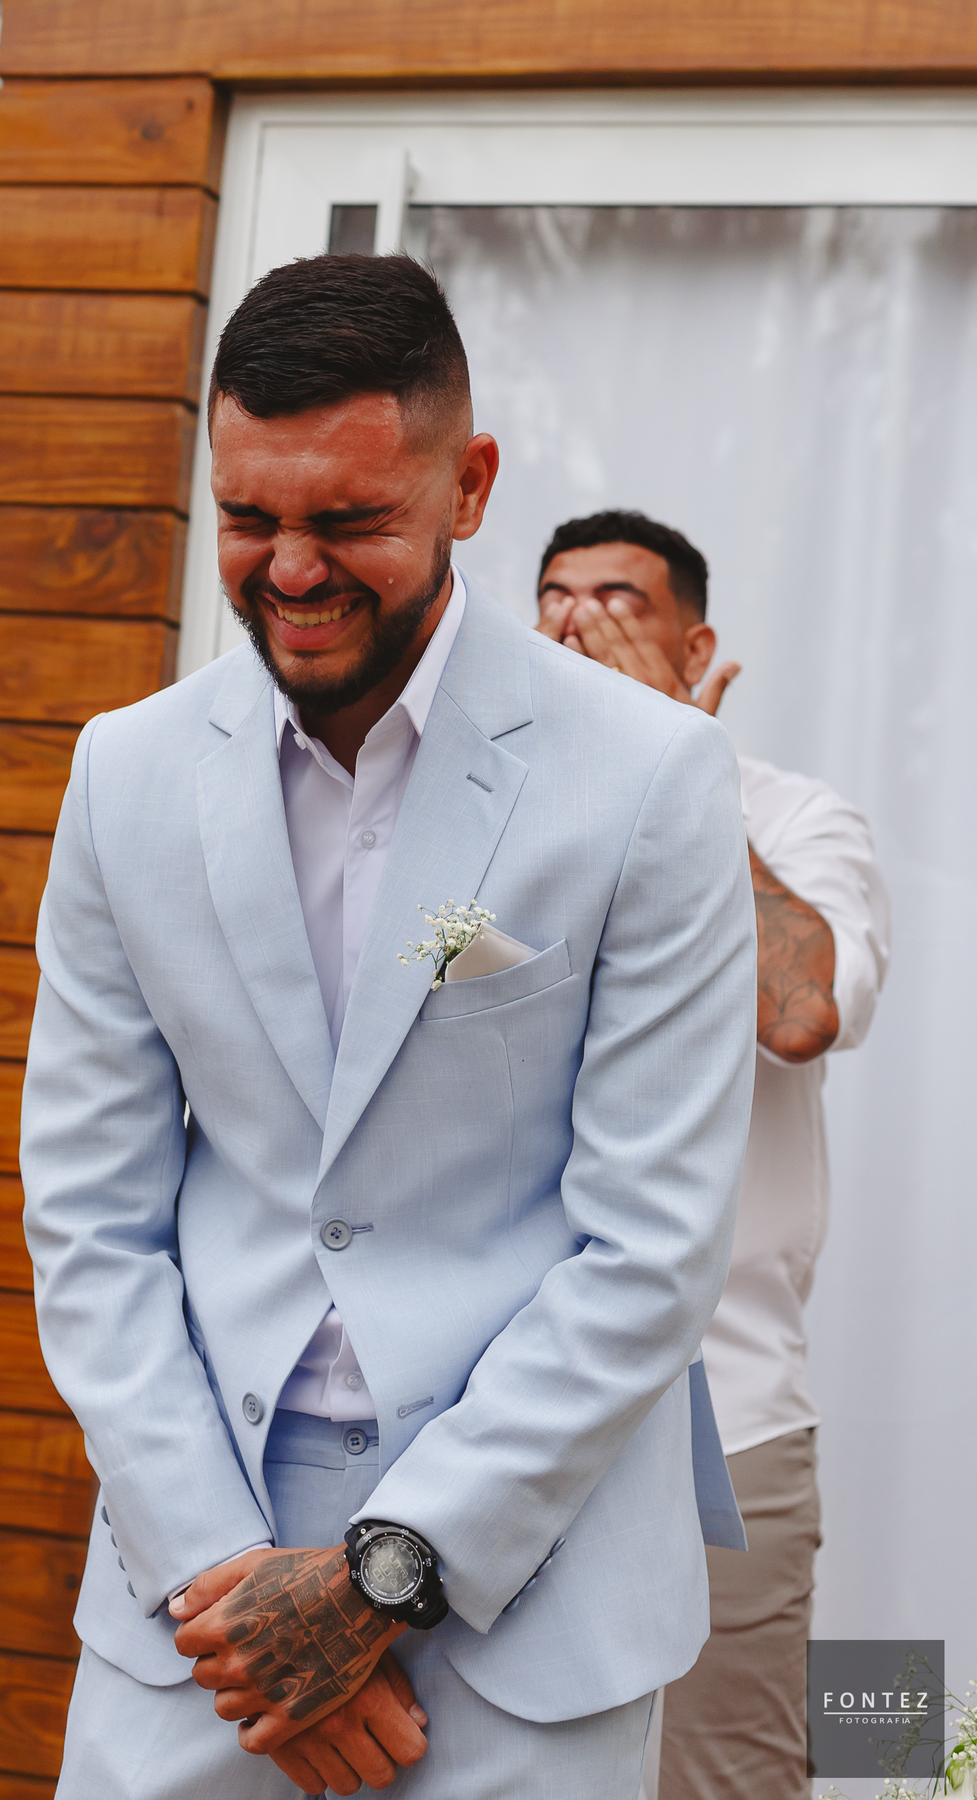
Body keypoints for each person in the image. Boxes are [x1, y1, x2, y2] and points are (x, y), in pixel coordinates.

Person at [20, 259, 758, 1800]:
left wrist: (380, 1582)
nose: (291, 571)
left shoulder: (649, 777)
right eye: (249, 517)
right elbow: (89, 1219)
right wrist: (226, 1579)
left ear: (469, 484)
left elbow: (652, 1243)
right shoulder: (123, 773)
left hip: (531, 1583)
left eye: (350, 520)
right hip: (193, 1587)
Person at [537, 509, 891, 1800]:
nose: (579, 625)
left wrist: (680, 771)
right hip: (501, 1422)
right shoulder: (493, 831)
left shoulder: (797, 818)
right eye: (555, 599)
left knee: (727, 1779)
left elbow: (799, 1015)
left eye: (618, 602)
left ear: (695, 649)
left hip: (723, 1428)